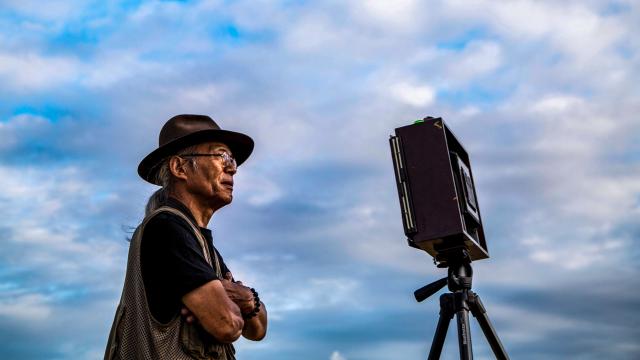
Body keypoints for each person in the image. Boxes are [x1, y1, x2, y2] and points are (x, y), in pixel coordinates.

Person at [105, 114, 267, 360]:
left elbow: (258, 330)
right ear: (179, 167)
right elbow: (228, 324)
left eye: (232, 159)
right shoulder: (167, 228)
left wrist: (245, 298)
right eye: (221, 156)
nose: (232, 167)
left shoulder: (197, 240)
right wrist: (233, 304)